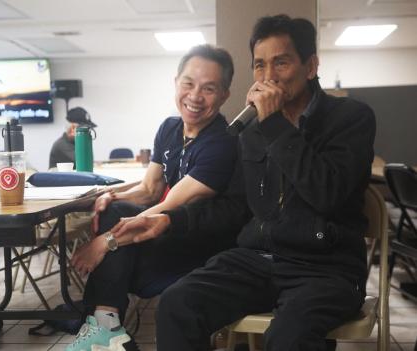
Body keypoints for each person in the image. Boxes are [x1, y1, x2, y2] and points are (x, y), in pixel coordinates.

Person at [114, 15, 376, 351]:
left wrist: (277, 127)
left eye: (281, 63)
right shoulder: (252, 131)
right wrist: (169, 218)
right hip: (258, 259)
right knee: (178, 304)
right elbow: (236, 206)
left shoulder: (351, 117)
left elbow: (328, 194)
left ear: (310, 66)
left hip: (326, 268)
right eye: (259, 65)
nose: (268, 77)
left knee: (287, 337)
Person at [65, 44, 238, 351]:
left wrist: (105, 242)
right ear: (176, 83)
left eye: (209, 88)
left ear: (224, 94)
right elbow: (150, 189)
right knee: (116, 209)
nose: (195, 96)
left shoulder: (222, 144)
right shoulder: (170, 128)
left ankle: (104, 326)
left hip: (195, 246)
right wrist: (110, 194)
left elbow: (165, 208)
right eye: (188, 83)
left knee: (116, 229)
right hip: (163, 238)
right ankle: (106, 326)